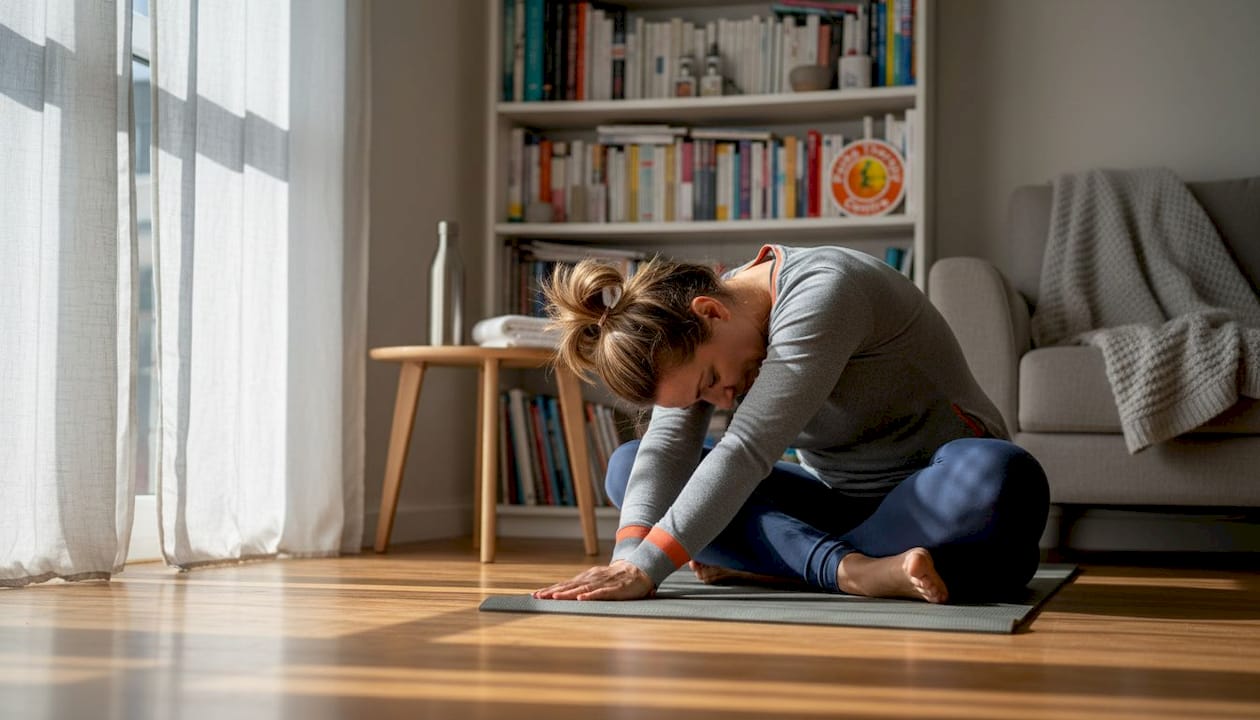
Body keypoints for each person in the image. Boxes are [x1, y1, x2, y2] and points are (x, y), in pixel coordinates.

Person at [533, 244, 1049, 604]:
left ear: (711, 311)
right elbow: (667, 448)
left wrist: (651, 566)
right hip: (840, 508)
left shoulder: (823, 291)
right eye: (703, 395)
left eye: (712, 377)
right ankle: (859, 572)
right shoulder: (695, 331)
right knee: (629, 467)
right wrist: (628, 559)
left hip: (938, 498)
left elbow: (748, 449)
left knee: (1002, 474)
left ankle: (788, 563)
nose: (721, 397)